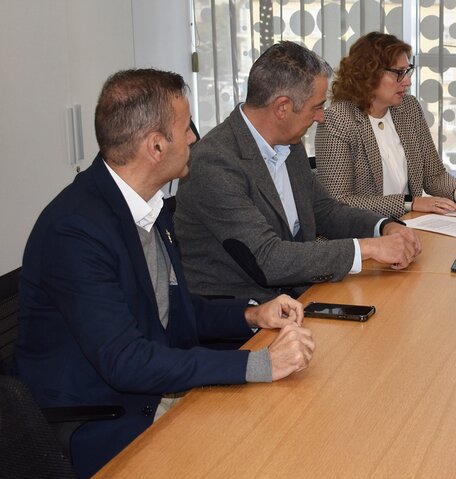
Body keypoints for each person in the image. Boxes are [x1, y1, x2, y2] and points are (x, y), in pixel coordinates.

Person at [14, 69, 315, 479]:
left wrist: (251, 315)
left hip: (157, 395)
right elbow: (127, 362)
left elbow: (174, 312)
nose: (194, 137)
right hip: (106, 421)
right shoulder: (75, 230)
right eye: (186, 127)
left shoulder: (147, 206)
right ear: (155, 145)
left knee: (289, 438)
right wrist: (259, 364)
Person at [174, 41, 422, 301]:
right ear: (282, 107)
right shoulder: (215, 162)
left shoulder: (287, 142)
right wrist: (368, 248)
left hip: (298, 295)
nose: (321, 118)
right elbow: (269, 258)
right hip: (246, 315)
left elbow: (323, 210)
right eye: (316, 107)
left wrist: (383, 227)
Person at [317, 32, 456, 219]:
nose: (407, 81)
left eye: (407, 71)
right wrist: (411, 203)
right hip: (362, 233)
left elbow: (433, 175)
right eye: (398, 73)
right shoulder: (338, 120)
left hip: (408, 224)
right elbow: (339, 201)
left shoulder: (409, 108)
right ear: (368, 74)